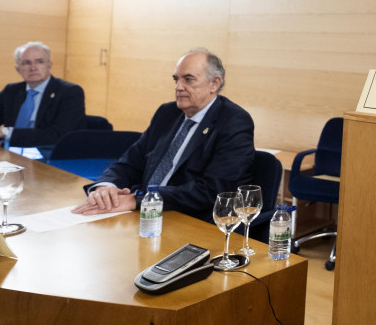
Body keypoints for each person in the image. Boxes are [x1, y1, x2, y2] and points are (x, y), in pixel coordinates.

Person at [72, 48, 255, 220]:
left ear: (214, 83)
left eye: (188, 79)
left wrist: (140, 200)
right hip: (143, 213)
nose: (178, 87)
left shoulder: (234, 122)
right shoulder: (167, 113)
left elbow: (211, 191)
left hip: (189, 218)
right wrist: (106, 187)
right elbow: (131, 162)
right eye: (176, 79)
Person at [0, 41, 85, 147]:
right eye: (26, 63)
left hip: (47, 157)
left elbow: (59, 135)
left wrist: (5, 132)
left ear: (49, 65)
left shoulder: (69, 92)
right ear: (17, 69)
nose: (33, 67)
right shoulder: (11, 91)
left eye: (39, 61)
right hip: (10, 154)